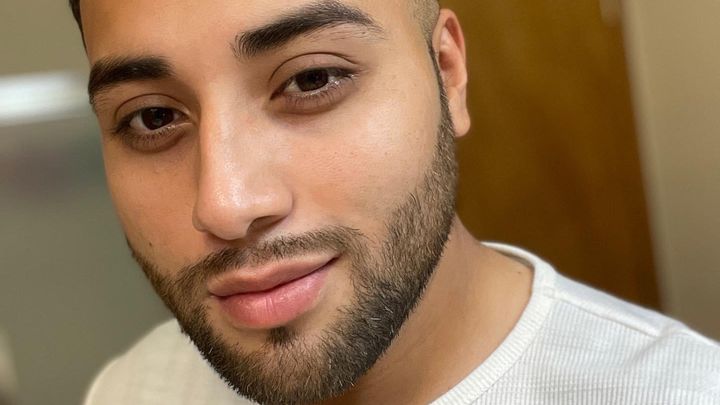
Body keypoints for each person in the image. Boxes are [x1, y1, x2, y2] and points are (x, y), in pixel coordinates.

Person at [69, 0, 720, 404]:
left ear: (448, 73)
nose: (226, 203)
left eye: (312, 79)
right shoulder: (135, 389)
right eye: (152, 118)